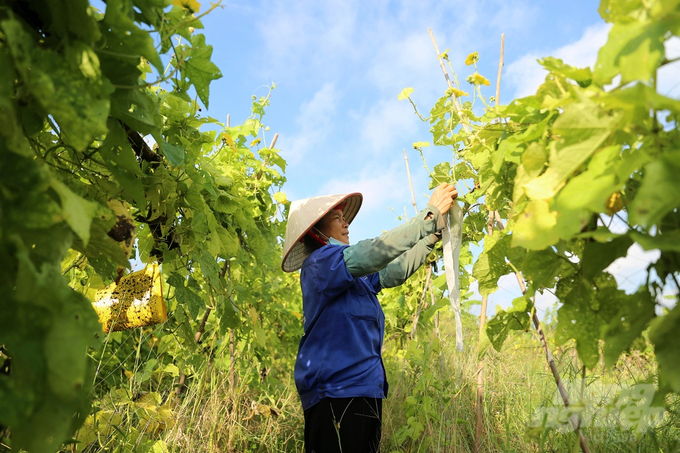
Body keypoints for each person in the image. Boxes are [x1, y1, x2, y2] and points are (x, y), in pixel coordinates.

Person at [281, 183, 458, 453]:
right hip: (335, 390)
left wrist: (431, 235)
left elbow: (392, 271)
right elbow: (373, 253)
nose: (346, 225)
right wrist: (429, 215)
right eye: (337, 218)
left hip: (365, 388)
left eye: (344, 218)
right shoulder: (321, 262)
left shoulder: (353, 276)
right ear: (316, 231)